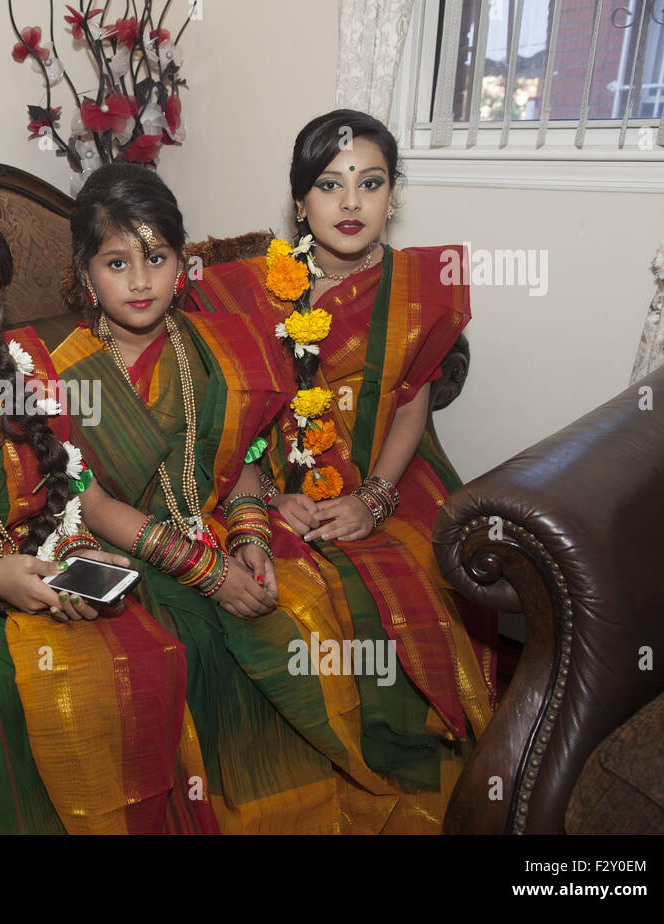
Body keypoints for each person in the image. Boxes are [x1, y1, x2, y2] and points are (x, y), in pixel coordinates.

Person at [52, 162, 415, 834]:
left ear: (182, 263)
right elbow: (88, 499)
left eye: (156, 258)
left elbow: (243, 457)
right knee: (170, 647)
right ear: (83, 272)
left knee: (304, 601)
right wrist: (207, 571)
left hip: (215, 522)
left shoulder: (220, 347)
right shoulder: (61, 369)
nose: (139, 281)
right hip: (111, 542)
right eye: (116, 261)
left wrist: (248, 538)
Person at [185, 109, 499, 830]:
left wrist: (374, 501)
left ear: (394, 196)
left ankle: (389, 750)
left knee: (404, 577)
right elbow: (229, 409)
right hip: (260, 474)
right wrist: (263, 498)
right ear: (300, 202)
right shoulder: (247, 289)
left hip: (388, 469)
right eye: (330, 184)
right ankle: (295, 763)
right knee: (265, 586)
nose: (351, 203)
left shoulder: (419, 286)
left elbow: (412, 404)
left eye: (371, 183)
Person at [0, 183, 218, 834]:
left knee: (142, 658)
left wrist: (73, 553)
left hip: (29, 582)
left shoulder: (21, 372)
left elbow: (61, 499)